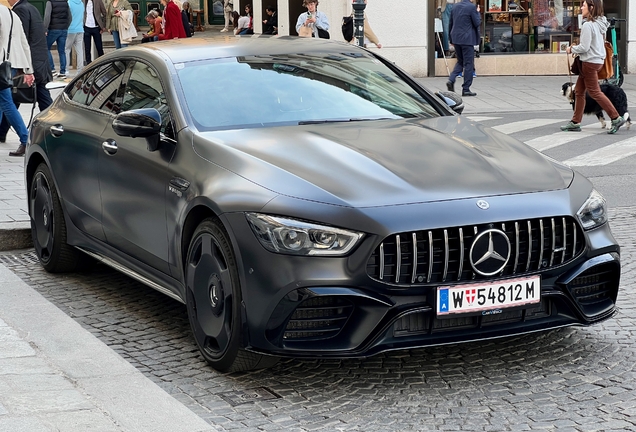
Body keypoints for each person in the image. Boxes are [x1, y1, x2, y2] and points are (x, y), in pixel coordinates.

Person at [561, 0, 625, 134]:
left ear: (591, 7)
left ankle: (615, 117)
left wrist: (571, 49)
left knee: (595, 92)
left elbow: (584, 47)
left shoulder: (588, 26)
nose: (581, 7)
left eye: (583, 5)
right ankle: (575, 122)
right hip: (596, 61)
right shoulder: (600, 23)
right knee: (579, 91)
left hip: (589, 62)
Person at [1, 0, 53, 148]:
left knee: (9, 101)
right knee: (9, 99)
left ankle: (26, 137)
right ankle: (3, 132)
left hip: (20, 62)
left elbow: (21, 40)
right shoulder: (23, 10)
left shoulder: (19, 10)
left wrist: (26, 68)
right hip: (28, 62)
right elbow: (26, 40)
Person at [0, 4, 36, 157]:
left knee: (6, 102)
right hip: (11, 63)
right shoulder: (11, 13)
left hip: (1, 62)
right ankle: (25, 138)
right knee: (3, 100)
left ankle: (25, 138)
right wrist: (29, 69)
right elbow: (23, 42)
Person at [446, 0, 480, 97]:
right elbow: (477, 22)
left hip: (456, 38)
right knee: (468, 63)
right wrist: (477, 12)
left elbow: (450, 23)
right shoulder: (472, 7)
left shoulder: (455, 7)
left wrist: (450, 38)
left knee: (460, 61)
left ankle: (451, 79)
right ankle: (466, 89)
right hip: (467, 39)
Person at [43, 0, 71, 78]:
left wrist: (45, 28)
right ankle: (63, 72)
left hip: (53, 29)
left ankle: (52, 69)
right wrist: (66, 26)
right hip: (63, 29)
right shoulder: (65, 2)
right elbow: (70, 17)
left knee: (46, 47)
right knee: (62, 51)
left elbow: (47, 16)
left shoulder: (50, 2)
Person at [83, 0, 106, 64]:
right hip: (86, 27)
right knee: (87, 48)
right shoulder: (83, 1)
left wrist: (103, 26)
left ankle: (102, 62)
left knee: (99, 47)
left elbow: (104, 13)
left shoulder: (98, 1)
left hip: (96, 27)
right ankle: (88, 63)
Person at [66, 0, 85, 76]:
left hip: (70, 29)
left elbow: (67, 16)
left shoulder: (69, 3)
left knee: (66, 50)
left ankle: (66, 69)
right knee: (80, 51)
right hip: (80, 29)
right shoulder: (81, 3)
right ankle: (80, 70)